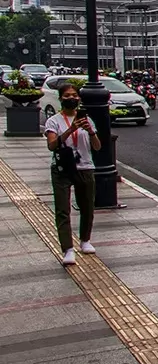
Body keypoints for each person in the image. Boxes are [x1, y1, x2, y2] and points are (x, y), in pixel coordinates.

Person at [45, 83, 101, 266]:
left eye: (74, 95)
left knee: (87, 207)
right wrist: (71, 129)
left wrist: (90, 131)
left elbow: (97, 147)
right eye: (67, 95)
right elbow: (52, 145)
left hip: (85, 167)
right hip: (63, 169)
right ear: (61, 98)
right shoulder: (54, 121)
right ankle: (68, 249)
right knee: (63, 210)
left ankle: (85, 240)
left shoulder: (87, 120)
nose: (71, 98)